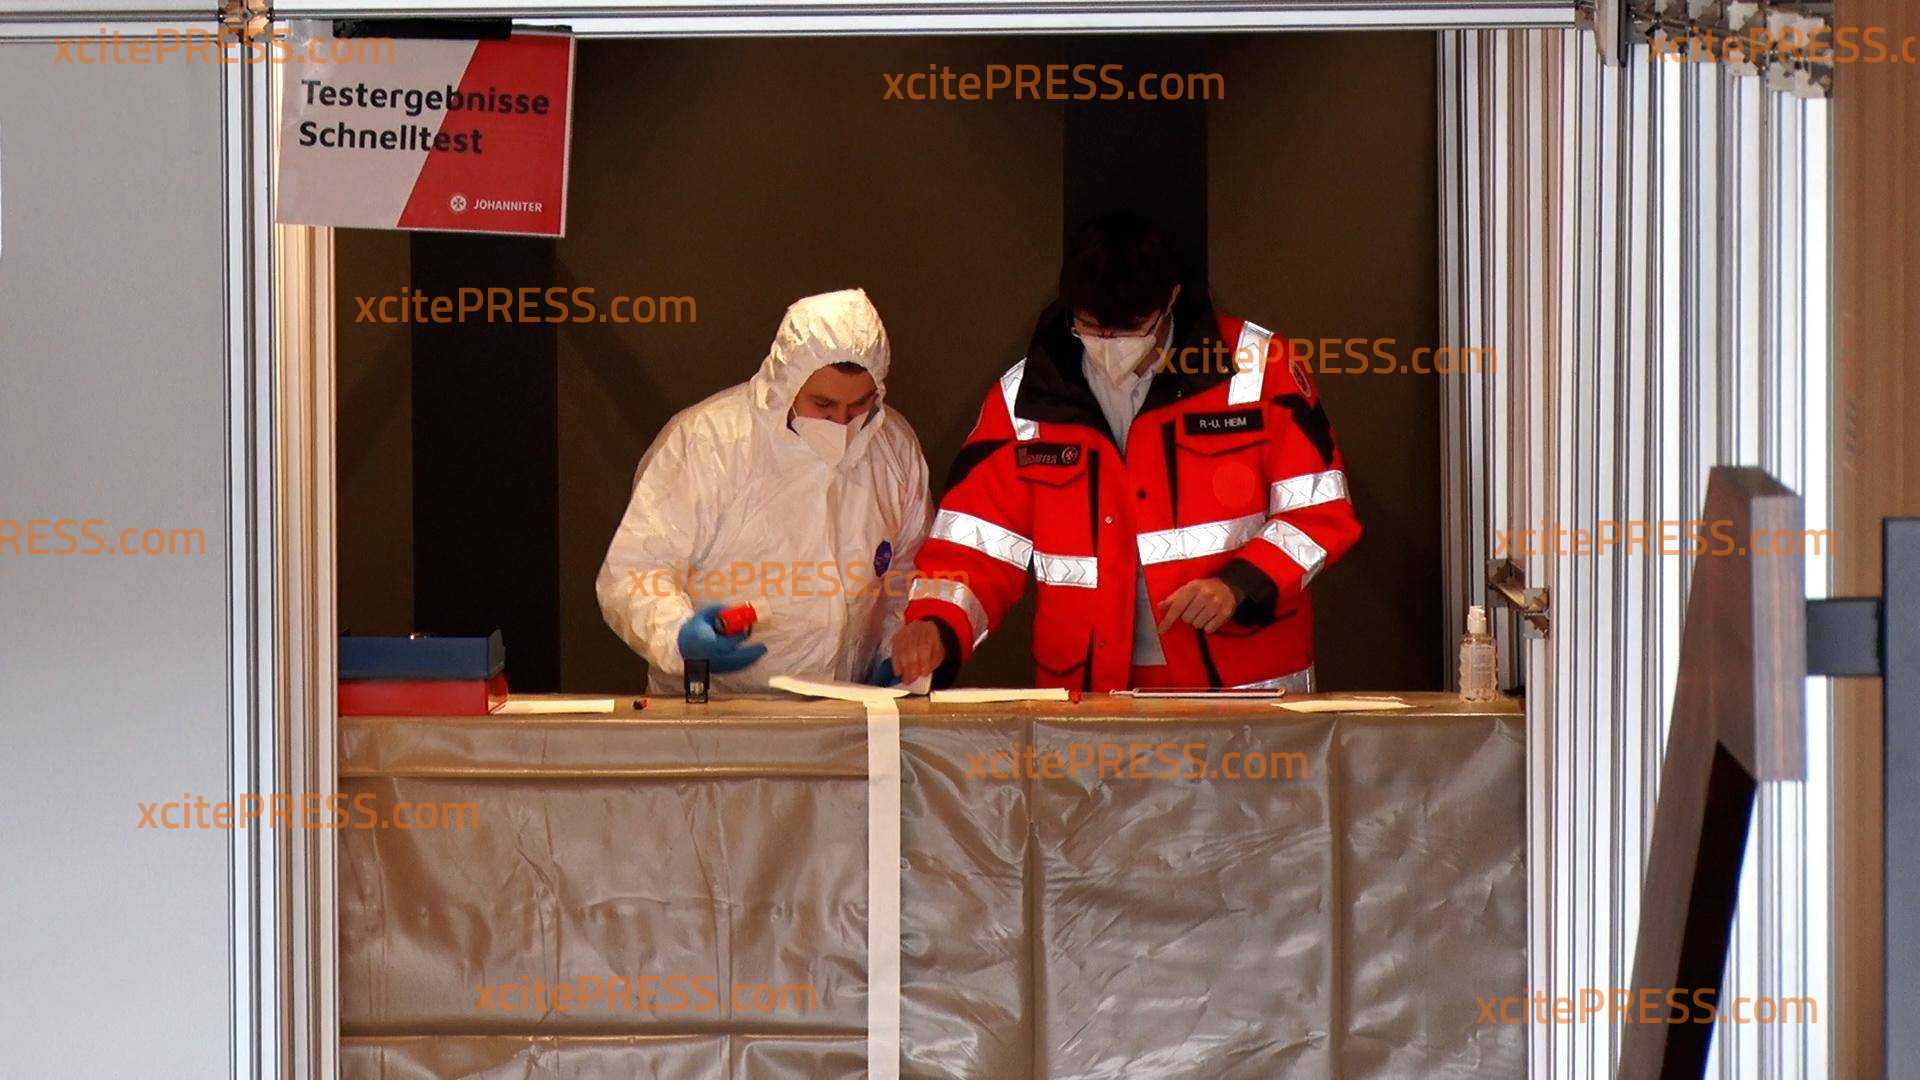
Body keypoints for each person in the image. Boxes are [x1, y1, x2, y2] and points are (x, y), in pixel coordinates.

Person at [888, 215, 1360, 692]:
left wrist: (1242, 584)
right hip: (1092, 695)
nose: (1109, 345)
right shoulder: (1026, 398)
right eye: (1090, 327)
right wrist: (938, 622)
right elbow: (976, 542)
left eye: (1132, 327)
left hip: (1243, 689)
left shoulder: (1259, 369)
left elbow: (1319, 513)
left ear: (1171, 299)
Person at [596, 288, 932, 693]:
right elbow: (634, 572)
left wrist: (896, 650)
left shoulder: (892, 446)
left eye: (859, 404)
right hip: (717, 710)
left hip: (846, 711)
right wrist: (678, 636)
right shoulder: (708, 442)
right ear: (786, 382)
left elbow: (908, 571)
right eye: (823, 405)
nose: (842, 423)